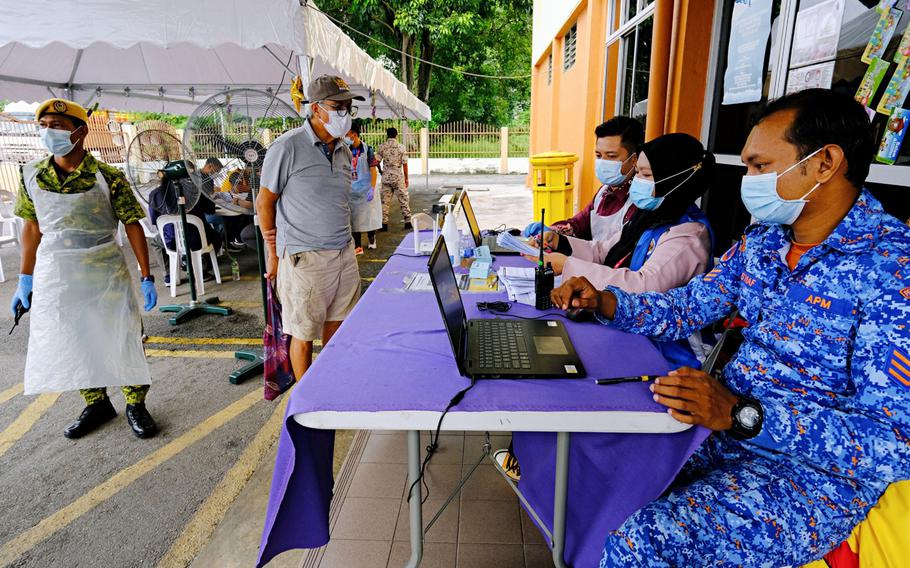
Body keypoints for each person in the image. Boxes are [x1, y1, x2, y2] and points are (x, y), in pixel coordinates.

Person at [550, 89, 910, 566]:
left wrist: (743, 414)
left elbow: (893, 443)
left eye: (760, 167)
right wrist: (607, 301)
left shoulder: (893, 270)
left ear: (825, 163)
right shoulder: (765, 240)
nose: (748, 180)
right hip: (717, 431)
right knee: (597, 467)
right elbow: (687, 306)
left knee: (644, 541)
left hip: (809, 477)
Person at [11, 98, 159, 439]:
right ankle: (97, 403)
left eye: (58, 127)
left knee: (122, 335)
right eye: (44, 126)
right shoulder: (31, 174)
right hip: (58, 273)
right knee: (76, 337)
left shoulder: (108, 176)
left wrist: (146, 275)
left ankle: (136, 403)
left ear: (81, 132)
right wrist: (24, 277)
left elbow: (132, 224)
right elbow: (31, 227)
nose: (48, 133)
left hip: (105, 270)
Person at [257, 75, 364, 381]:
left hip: (343, 254)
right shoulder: (287, 147)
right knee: (303, 333)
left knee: (339, 325)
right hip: (305, 258)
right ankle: (307, 404)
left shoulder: (343, 150)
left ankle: (331, 385)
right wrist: (274, 255)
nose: (344, 113)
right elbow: (265, 202)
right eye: (337, 106)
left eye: (348, 107)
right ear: (316, 108)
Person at [531, 133, 714, 294]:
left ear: (676, 180)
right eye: (637, 173)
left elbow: (643, 286)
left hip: (655, 331)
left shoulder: (688, 236)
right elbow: (603, 251)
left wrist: (568, 266)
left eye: (646, 174)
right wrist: (558, 241)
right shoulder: (649, 216)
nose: (637, 181)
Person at [524, 116, 643, 242]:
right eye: (598, 155)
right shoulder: (604, 193)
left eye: (611, 156)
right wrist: (552, 231)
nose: (603, 162)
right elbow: (578, 224)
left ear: (634, 159)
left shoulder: (639, 200)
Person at [345, 120, 381, 255]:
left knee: (368, 217)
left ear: (354, 134)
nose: (345, 137)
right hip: (352, 190)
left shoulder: (367, 149)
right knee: (354, 219)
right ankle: (357, 246)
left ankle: (372, 239)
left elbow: (373, 170)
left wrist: (372, 188)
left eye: (347, 134)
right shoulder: (345, 150)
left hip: (366, 189)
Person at [376, 127, 410, 231]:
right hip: (398, 177)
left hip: (386, 177)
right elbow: (404, 163)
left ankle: (384, 224)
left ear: (387, 135)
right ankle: (408, 221)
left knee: (385, 201)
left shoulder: (382, 147)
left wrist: (381, 170)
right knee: (403, 199)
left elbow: (376, 161)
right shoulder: (401, 147)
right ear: (396, 135)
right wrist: (406, 178)